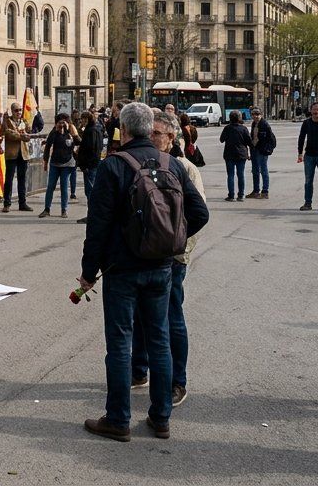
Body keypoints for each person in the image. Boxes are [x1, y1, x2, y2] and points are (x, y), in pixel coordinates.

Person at [80, 103, 210, 442]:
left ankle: (119, 419)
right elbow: (200, 213)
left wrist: (88, 272)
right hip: (162, 268)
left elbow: (98, 226)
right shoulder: (173, 165)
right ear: (149, 128)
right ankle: (160, 417)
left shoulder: (113, 166)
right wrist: (172, 241)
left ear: (123, 130)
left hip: (122, 269)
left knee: (120, 343)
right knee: (159, 340)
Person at [129, 110, 207, 408]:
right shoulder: (142, 163)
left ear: (171, 138)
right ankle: (139, 370)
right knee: (140, 315)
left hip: (172, 258)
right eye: (149, 133)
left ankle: (178, 382)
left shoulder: (185, 169)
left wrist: (178, 249)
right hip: (143, 255)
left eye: (157, 134)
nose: (151, 138)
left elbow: (197, 216)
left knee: (170, 318)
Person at [40, 113, 80, 218]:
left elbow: (79, 142)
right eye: (59, 122)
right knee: (50, 187)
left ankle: (64, 210)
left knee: (64, 187)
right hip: (55, 163)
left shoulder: (70, 131)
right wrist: (45, 161)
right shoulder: (54, 132)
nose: (62, 124)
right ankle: (47, 209)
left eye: (64, 122)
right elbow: (48, 146)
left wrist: (74, 133)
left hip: (67, 164)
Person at [1, 102, 32, 212]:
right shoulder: (7, 121)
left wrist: (27, 127)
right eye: (16, 110)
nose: (18, 112)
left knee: (22, 179)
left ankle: (22, 203)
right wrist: (21, 136)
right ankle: (7, 203)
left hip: (23, 153)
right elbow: (6, 133)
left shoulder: (23, 121)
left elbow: (29, 131)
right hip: (11, 153)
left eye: (20, 110)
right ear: (12, 111)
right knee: (9, 179)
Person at [75, 111, 103, 222]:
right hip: (91, 164)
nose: (82, 121)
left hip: (90, 165)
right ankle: (92, 214)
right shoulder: (94, 129)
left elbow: (92, 149)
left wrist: (85, 164)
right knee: (90, 191)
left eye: (83, 119)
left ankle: (92, 215)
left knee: (90, 192)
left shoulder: (92, 131)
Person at [218, 110, 250, 201]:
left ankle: (231, 195)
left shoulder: (227, 128)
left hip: (229, 154)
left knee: (230, 175)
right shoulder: (243, 129)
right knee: (241, 175)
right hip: (241, 154)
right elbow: (249, 141)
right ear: (239, 118)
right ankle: (241, 195)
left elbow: (221, 139)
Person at [246, 107, 275, 199]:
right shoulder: (254, 124)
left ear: (261, 115)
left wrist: (268, 150)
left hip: (262, 151)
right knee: (255, 171)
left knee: (263, 170)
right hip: (254, 149)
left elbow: (272, 139)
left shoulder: (265, 124)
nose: (255, 116)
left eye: (257, 114)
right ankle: (256, 191)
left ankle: (265, 191)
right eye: (253, 114)